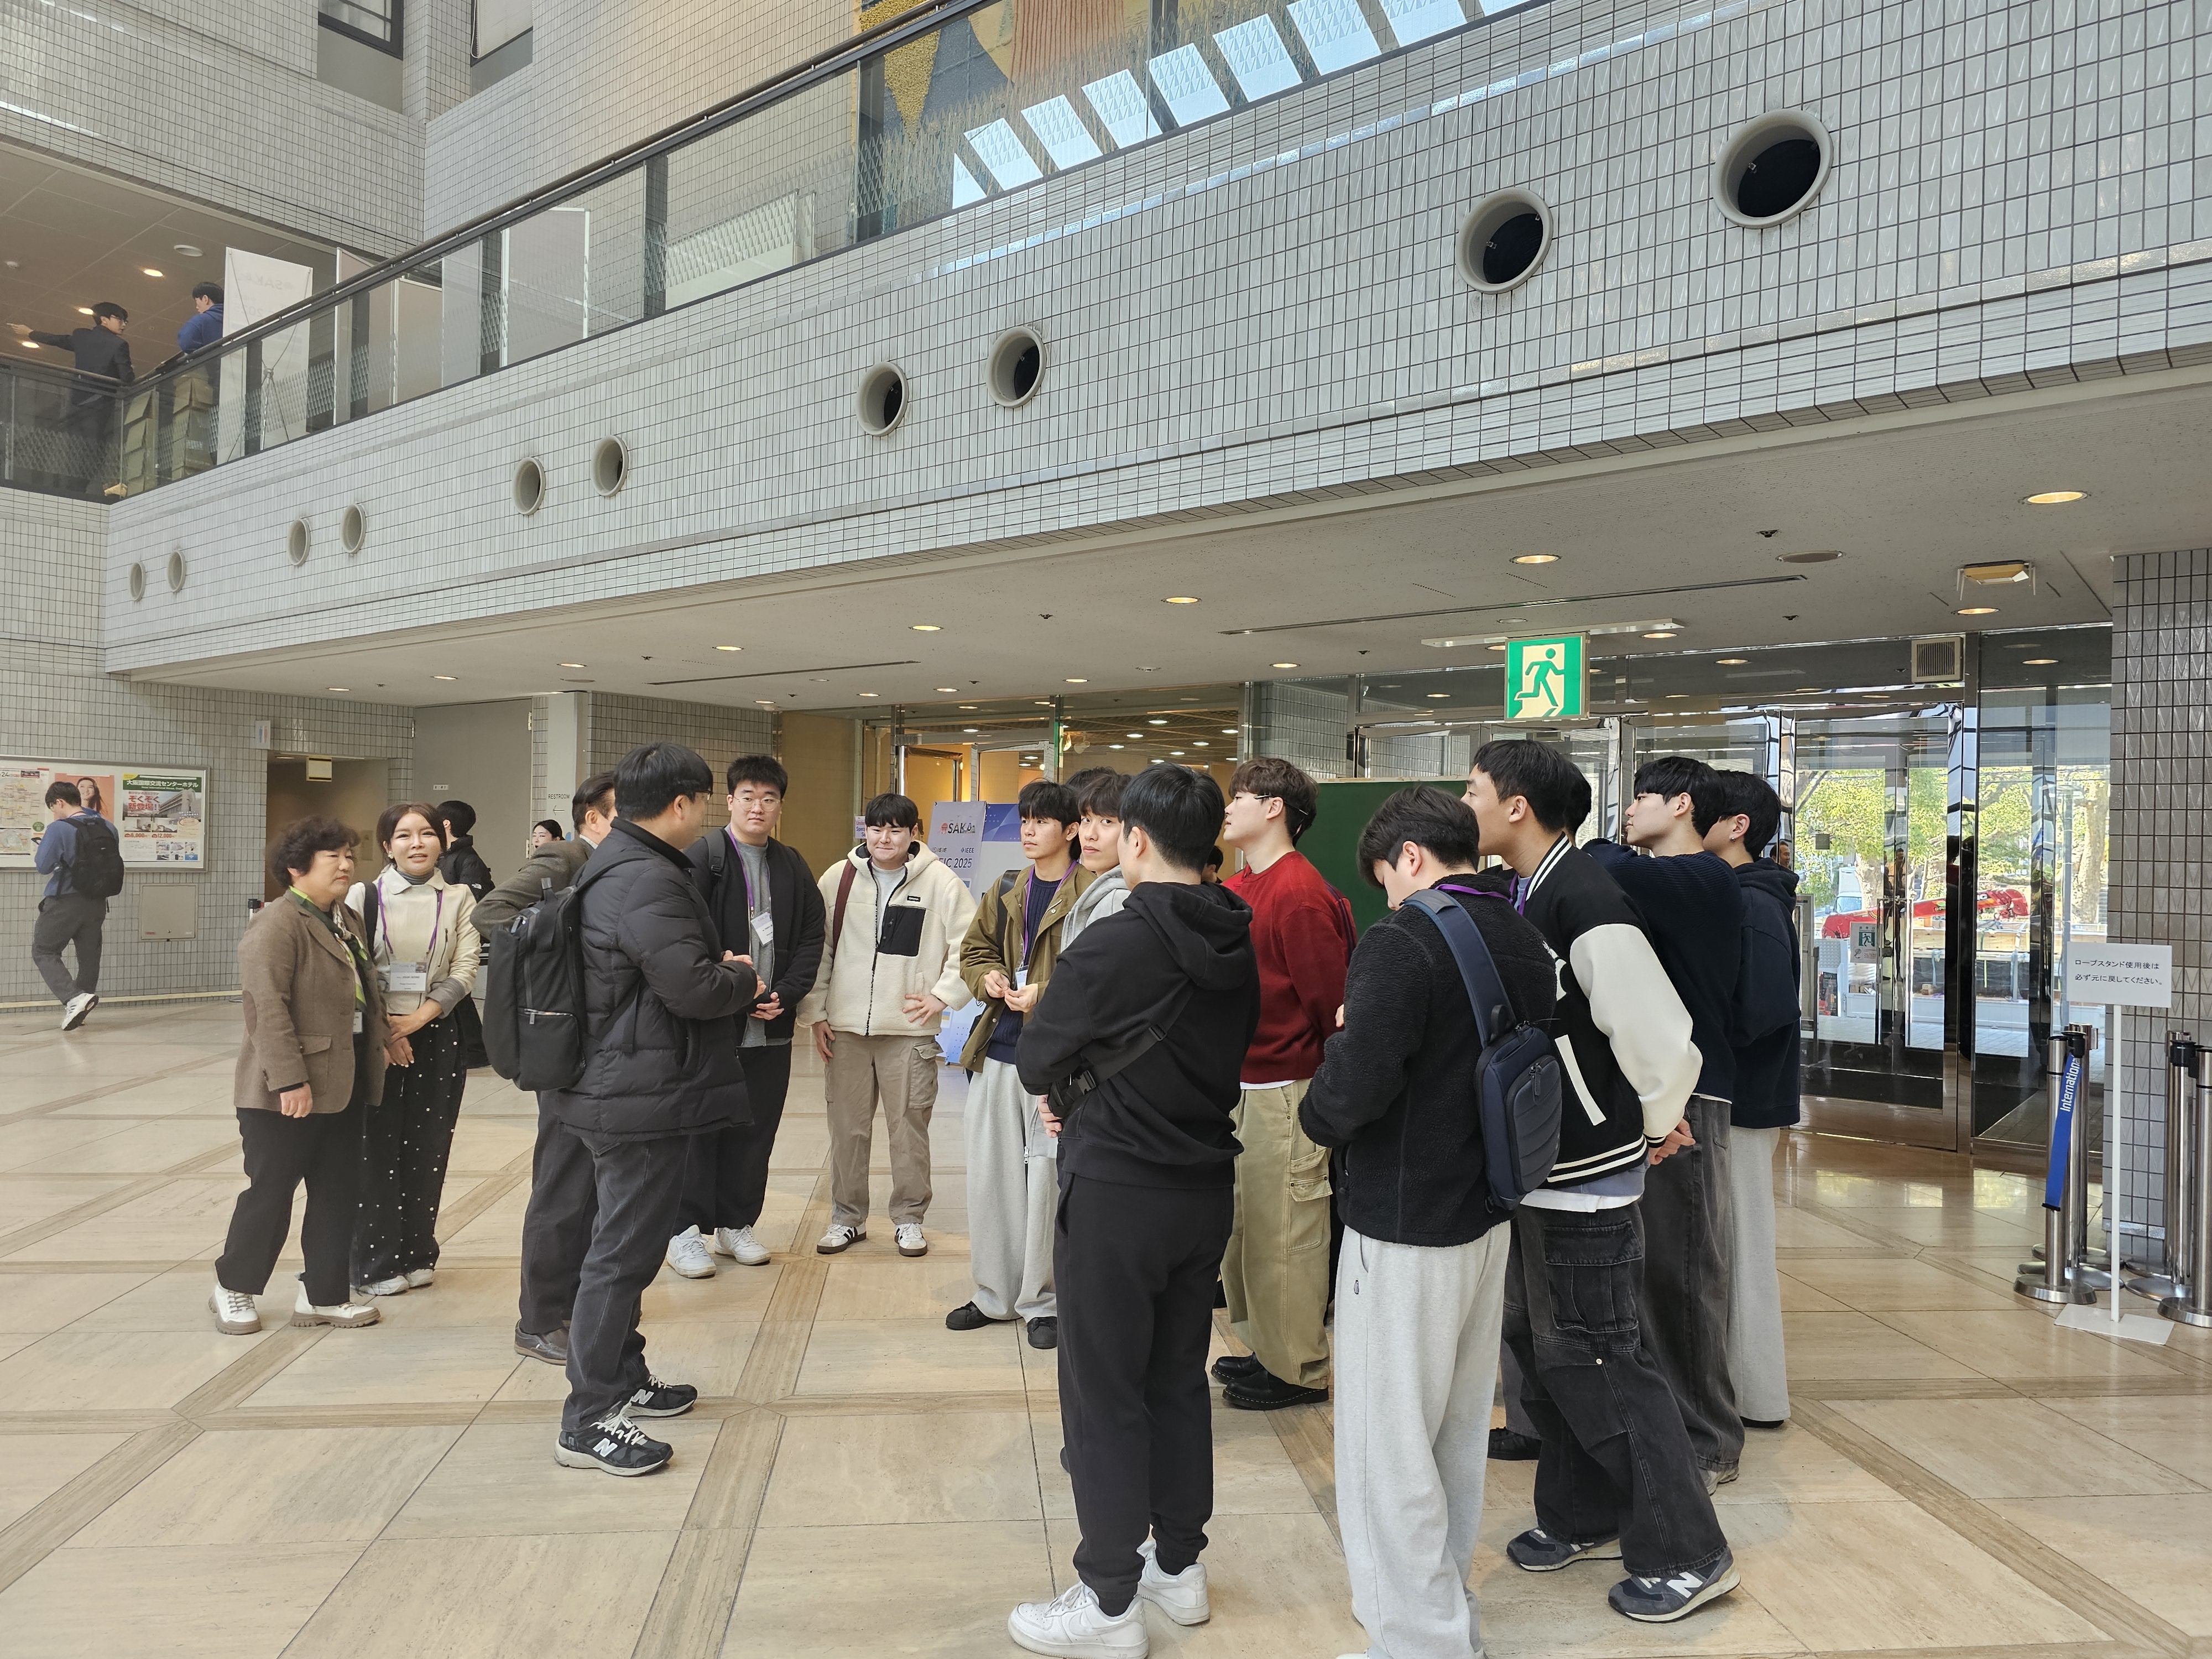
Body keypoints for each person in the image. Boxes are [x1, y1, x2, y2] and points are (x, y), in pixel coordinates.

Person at [1461, 740, 1739, 1624]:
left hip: (1587, 1169)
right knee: (1555, 1352)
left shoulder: (1586, 898)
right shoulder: (1530, 890)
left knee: (1601, 1357)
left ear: (1517, 806)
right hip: (1547, 1165)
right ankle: (1580, 1514)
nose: (1464, 802)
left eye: (1474, 789)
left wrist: (1653, 1124)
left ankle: (1690, 1550)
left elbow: (1657, 1032)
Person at [1005, 764, 1260, 1659]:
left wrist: (1072, 1088)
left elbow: (1037, 1058)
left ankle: (1109, 1598)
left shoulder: (1115, 942)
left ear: (1139, 839)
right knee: (1176, 1380)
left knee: (1104, 1391)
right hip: (1203, 1187)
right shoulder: (1237, 936)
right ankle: (1177, 1568)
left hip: (1118, 1189)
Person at [1301, 787, 1556, 1659]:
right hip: (1487, 1213)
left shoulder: (1402, 939)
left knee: (1388, 1440)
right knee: (1450, 1430)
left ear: (1408, 856)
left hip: (1404, 1221)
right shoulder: (1520, 932)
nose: (1385, 893)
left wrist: (1324, 1091)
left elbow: (1354, 1088)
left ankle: (1419, 1639)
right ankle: (1439, 1605)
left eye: (1383, 875)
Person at [542, 743, 758, 1477]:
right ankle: (588, 1419)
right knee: (621, 1255)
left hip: (624, 1086)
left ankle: (623, 1378)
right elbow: (691, 989)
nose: (706, 816)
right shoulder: (647, 877)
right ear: (680, 803)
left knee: (624, 1246)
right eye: (704, 803)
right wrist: (740, 977)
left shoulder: (621, 862)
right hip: (634, 1097)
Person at [1584, 756, 1745, 1486]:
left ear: (1682, 805)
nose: (1629, 810)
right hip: (1652, 1091)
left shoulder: (1704, 875)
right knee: (1650, 1271)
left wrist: (1587, 845)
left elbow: (1602, 864)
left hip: (1693, 1094)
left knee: (1682, 1271)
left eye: (1642, 797)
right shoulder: (1655, 878)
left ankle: (1708, 1442)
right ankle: (1665, 1430)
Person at [211, 816, 391, 1337]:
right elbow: (265, 1007)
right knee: (271, 1194)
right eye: (333, 856)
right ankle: (233, 1286)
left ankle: (323, 1294)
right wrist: (290, 1080)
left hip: (344, 1079)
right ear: (296, 867)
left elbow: (365, 991)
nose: (346, 865)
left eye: (349, 855)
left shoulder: (345, 918)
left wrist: (384, 1038)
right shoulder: (278, 923)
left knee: (338, 1191)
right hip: (283, 1090)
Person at [1214, 757, 1356, 1410]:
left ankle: (1297, 1367)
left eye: (1239, 795)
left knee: (1288, 1237)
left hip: (1288, 1089)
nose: (1228, 807)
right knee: (1248, 1232)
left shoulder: (1299, 892)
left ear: (1274, 807)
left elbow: (1333, 1008)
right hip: (1242, 1085)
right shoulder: (1242, 885)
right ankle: (1265, 1349)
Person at [947, 778, 1094, 1349]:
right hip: (998, 1050)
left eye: (1042, 821)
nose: (1029, 831)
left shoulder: (1092, 892)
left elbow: (1099, 978)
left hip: (1056, 1060)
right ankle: (994, 1294)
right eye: (1025, 820)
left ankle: (1044, 1300)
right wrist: (985, 976)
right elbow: (974, 948)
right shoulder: (1009, 886)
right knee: (991, 1179)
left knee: (1047, 1182)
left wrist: (1045, 993)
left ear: (1072, 830)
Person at [798, 792, 977, 1259]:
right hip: (846, 1030)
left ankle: (909, 1220)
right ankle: (847, 1218)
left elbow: (970, 945)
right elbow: (819, 949)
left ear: (914, 832)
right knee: (847, 1130)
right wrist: (816, 1013)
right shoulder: (839, 878)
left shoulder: (941, 882)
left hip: (909, 1034)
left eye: (896, 829)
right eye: (876, 829)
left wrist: (943, 995)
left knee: (909, 1130)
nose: (884, 838)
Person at [480, 771, 618, 1367]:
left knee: (589, 1187)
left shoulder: (613, 864)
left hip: (596, 1047)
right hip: (561, 1045)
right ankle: (538, 1319)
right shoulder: (565, 858)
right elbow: (491, 913)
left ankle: (575, 1303)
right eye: (622, 813)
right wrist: (563, 935)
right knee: (561, 1185)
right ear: (593, 819)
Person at [675, 757, 826, 1269]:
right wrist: (729, 986)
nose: (758, 807)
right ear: (730, 801)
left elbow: (811, 937)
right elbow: (684, 936)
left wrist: (787, 992)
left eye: (769, 799)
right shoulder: (704, 858)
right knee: (701, 1130)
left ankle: (735, 1224)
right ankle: (683, 1231)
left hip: (771, 1029)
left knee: (756, 1130)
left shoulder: (791, 865)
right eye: (748, 797)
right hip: (714, 1027)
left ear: (780, 806)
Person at [343, 803, 482, 1297]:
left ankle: (418, 1253)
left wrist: (418, 1020)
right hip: (376, 1036)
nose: (416, 844)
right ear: (387, 846)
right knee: (375, 1149)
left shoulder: (460, 897)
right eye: (403, 836)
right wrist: (389, 1032)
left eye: (426, 834)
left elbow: (465, 967)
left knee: (429, 1146)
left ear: (442, 841)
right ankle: (375, 1263)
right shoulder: (364, 896)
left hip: (437, 1031)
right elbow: (354, 969)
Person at [1704, 770, 1802, 1428]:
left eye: (1706, 810)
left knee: (1742, 1246)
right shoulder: (1736, 894)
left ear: (1738, 826)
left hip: (1742, 1102)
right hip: (1732, 1098)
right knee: (1727, 1243)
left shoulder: (1755, 903)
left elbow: (1761, 1010)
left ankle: (1759, 1394)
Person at [8, 301, 131, 493]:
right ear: (104, 320)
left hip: (77, 401)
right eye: (120, 319)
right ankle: (82, 488)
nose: (123, 324)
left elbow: (58, 340)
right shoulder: (119, 345)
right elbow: (127, 378)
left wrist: (30, 333)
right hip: (101, 403)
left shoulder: (81, 336)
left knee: (75, 447)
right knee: (96, 448)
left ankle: (71, 488)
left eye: (125, 321)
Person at [32, 780, 117, 1031]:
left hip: (65, 901)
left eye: (53, 808)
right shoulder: (107, 826)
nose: (54, 813)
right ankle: (81, 1006)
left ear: (59, 802)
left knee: (44, 951)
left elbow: (43, 866)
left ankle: (73, 998)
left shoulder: (59, 828)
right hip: (98, 902)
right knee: (89, 957)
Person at [1060, 768, 1131, 945]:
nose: (1089, 835)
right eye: (1086, 820)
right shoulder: (1101, 889)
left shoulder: (1120, 900)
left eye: (1107, 821)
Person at [436, 800, 495, 898]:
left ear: (446, 823)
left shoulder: (470, 860)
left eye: (434, 820)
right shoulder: (441, 855)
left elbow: (471, 899)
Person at [176, 283, 223, 354]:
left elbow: (186, 343)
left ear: (205, 299)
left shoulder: (200, 320)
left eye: (197, 301)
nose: (197, 307)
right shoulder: (232, 318)